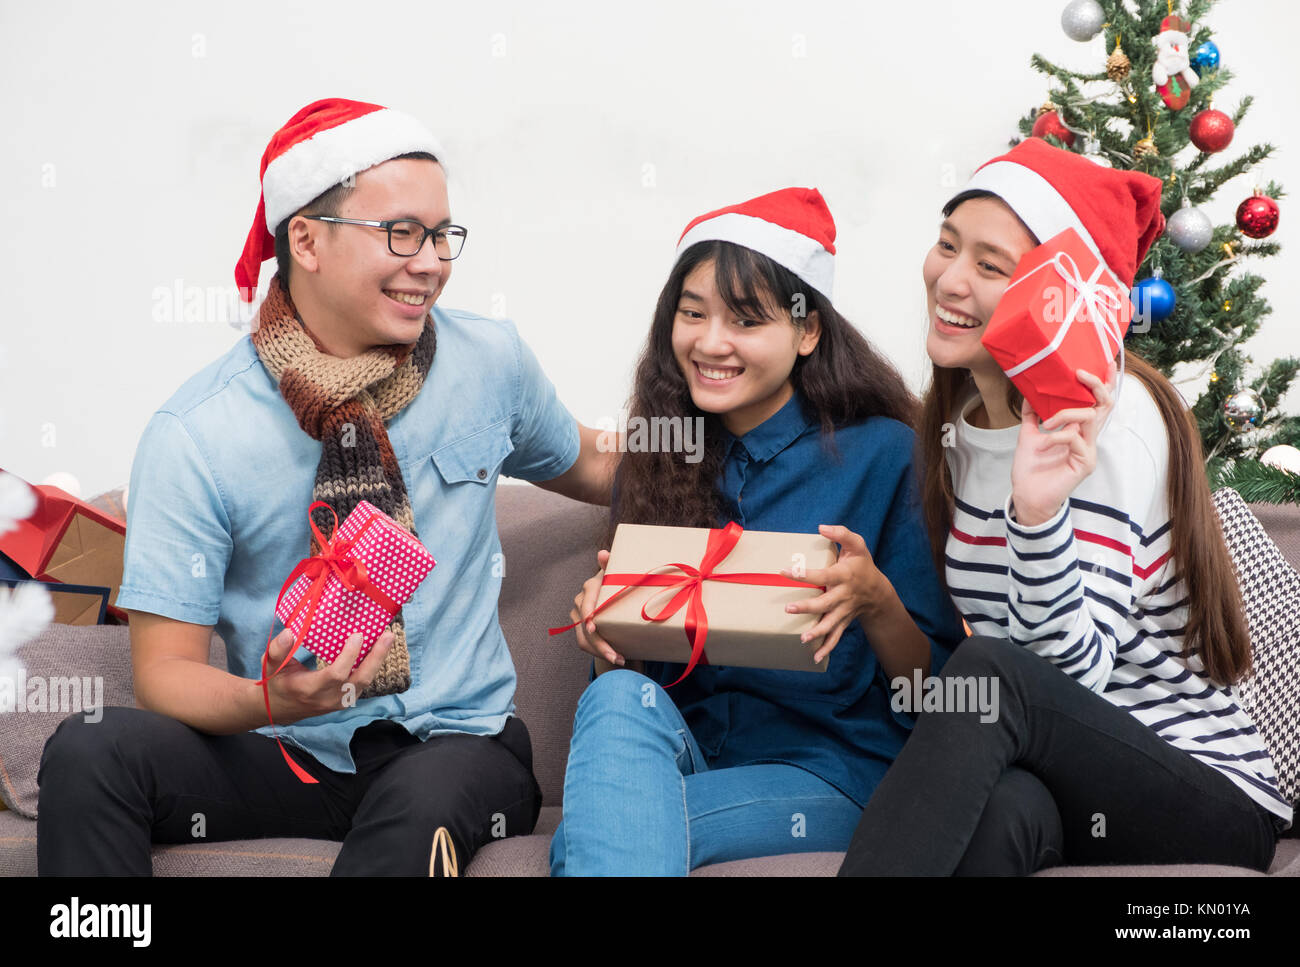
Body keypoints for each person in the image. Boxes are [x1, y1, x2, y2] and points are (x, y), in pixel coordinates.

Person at [36, 98, 617, 876]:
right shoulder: (198, 431)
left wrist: (747, 425)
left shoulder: (491, 363)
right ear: (305, 240)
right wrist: (272, 702)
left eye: (444, 235)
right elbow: (165, 671)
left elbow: (602, 465)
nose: (432, 261)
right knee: (89, 747)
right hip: (290, 750)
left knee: (419, 806)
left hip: (458, 746)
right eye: (402, 233)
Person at [838, 138, 1292, 876]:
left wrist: (1038, 514)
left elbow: (1061, 678)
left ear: (1055, 295)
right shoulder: (957, 424)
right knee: (1004, 811)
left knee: (991, 673)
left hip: (1206, 791)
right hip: (1062, 777)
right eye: (946, 245)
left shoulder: (1112, 416)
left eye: (990, 266)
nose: (950, 279)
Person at [549, 188, 967, 875]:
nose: (711, 342)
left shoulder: (887, 454)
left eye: (746, 320)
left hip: (834, 772)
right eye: (692, 314)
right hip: (693, 755)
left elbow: (939, 696)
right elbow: (638, 687)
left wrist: (877, 600)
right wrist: (606, 637)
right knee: (615, 695)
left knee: (589, 837)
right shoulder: (655, 461)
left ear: (807, 333)